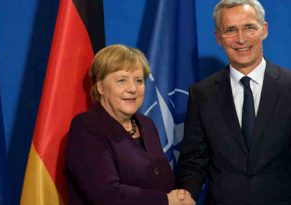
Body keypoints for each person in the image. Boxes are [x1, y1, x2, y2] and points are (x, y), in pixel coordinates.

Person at [176, 0, 291, 205]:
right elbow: (194, 162)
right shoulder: (201, 94)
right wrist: (186, 194)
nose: (241, 39)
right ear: (218, 37)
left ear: (264, 30)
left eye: (249, 27)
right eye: (230, 30)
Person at [65, 44, 195, 205]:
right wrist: (166, 200)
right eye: (121, 80)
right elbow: (106, 195)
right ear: (100, 87)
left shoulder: (146, 125)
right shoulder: (86, 127)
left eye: (139, 80)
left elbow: (162, 181)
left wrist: (180, 197)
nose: (133, 88)